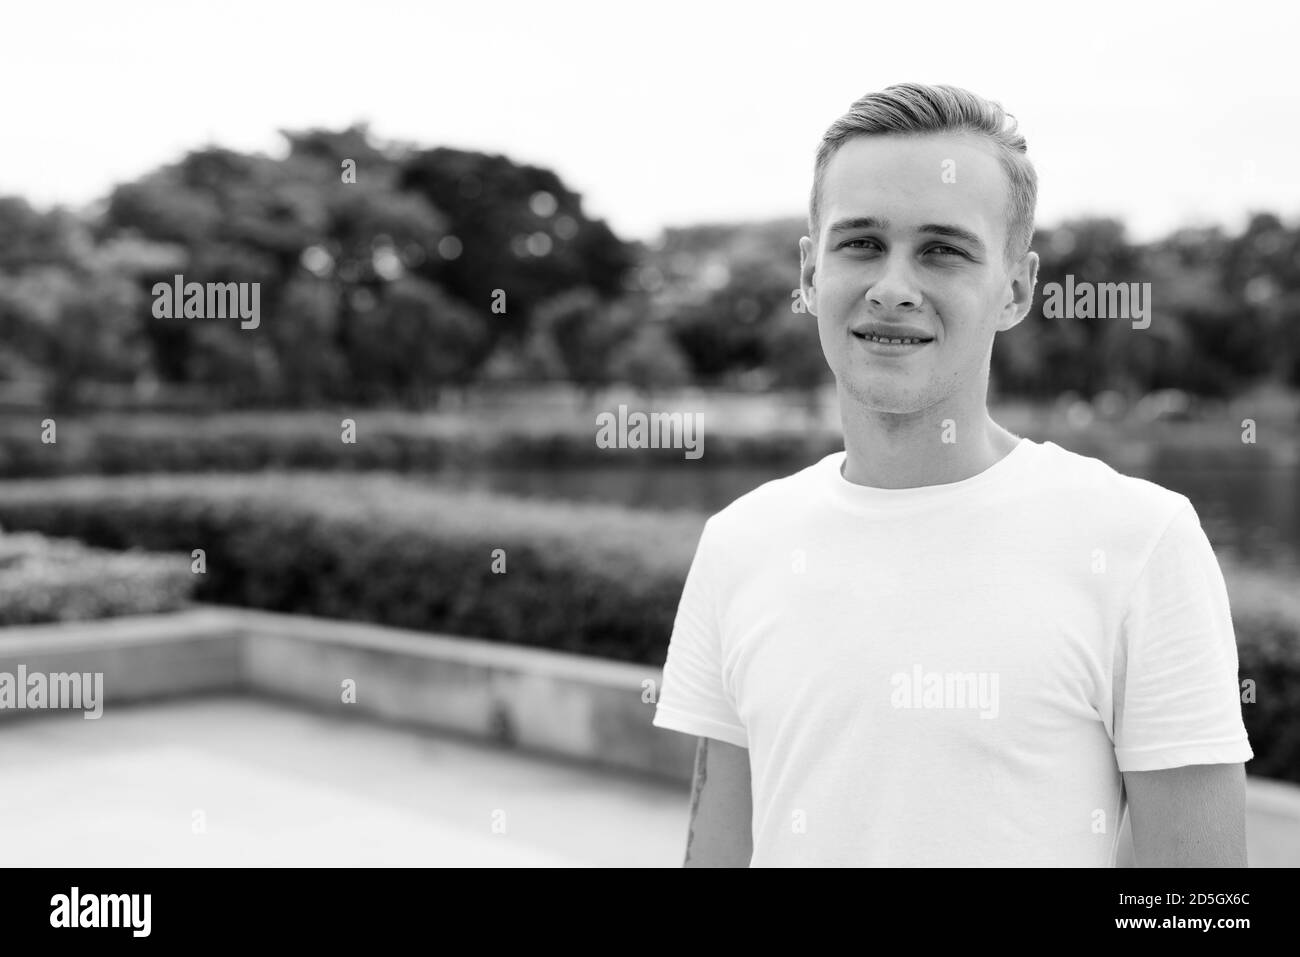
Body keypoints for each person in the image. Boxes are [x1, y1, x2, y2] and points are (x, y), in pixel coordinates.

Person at [651, 82, 1253, 867]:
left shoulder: (1140, 540)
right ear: (809, 273)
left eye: (942, 249)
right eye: (860, 242)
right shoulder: (739, 543)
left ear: (1016, 286)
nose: (893, 285)